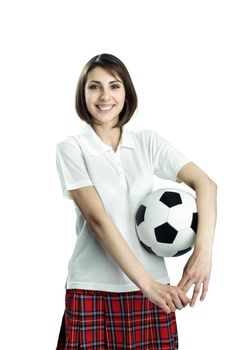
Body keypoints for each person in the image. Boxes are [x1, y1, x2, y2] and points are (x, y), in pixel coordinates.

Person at [55, 53, 217, 350]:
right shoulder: (72, 148)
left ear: (126, 91)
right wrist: (149, 285)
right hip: (93, 288)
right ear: (82, 93)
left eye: (114, 86)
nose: (105, 96)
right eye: (94, 87)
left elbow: (206, 184)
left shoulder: (147, 142)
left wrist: (203, 253)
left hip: (152, 289)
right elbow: (98, 220)